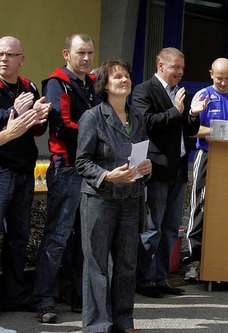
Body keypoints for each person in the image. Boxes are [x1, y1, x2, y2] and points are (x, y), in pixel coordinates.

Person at [76, 59, 152, 333]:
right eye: (117, 77)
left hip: (131, 198)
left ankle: (123, 320)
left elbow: (143, 157)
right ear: (104, 85)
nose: (124, 80)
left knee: (127, 262)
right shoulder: (93, 117)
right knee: (97, 263)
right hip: (100, 199)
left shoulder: (138, 118)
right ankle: (98, 324)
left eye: (127, 76)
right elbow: (82, 162)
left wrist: (147, 167)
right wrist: (108, 175)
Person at [34, 33, 100, 323]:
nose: (86, 58)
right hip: (67, 167)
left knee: (84, 239)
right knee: (58, 237)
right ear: (66, 54)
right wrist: (98, 134)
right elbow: (61, 126)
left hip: (90, 169)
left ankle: (77, 296)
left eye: (90, 53)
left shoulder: (93, 83)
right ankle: (44, 300)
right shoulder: (56, 82)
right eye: (80, 53)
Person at [133, 47, 200, 298]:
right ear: (161, 66)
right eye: (176, 68)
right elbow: (145, 123)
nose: (180, 73)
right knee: (153, 228)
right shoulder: (144, 90)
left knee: (171, 228)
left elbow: (189, 129)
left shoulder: (179, 93)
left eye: (182, 68)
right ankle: (145, 280)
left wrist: (191, 113)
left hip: (178, 169)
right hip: (156, 169)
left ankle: (161, 278)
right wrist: (175, 111)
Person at [183, 58, 228, 281]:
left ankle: (222, 259)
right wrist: (222, 128)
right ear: (211, 74)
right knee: (199, 206)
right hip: (207, 155)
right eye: (219, 78)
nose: (223, 83)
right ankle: (194, 260)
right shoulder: (202, 96)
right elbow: (193, 131)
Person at [0, 36, 51, 311]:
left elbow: (36, 131)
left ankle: (15, 294)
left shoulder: (28, 86)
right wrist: (12, 111)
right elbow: (8, 119)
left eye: (9, 54)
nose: (3, 59)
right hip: (2, 169)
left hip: (23, 169)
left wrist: (40, 116)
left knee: (19, 237)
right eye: (0, 54)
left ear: (21, 59)